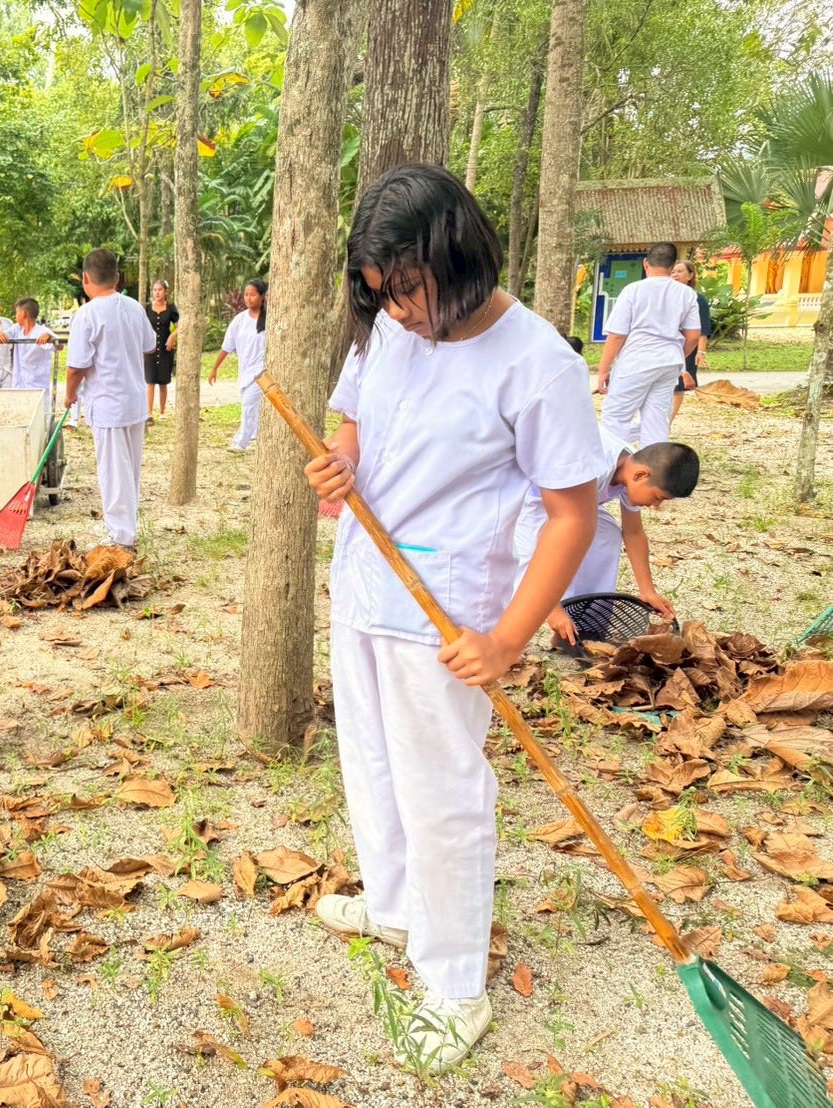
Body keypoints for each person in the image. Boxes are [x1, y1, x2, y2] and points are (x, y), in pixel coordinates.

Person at [303, 164, 601, 1069]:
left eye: (405, 290)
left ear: (456, 255)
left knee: (442, 793)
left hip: (446, 610)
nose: (393, 311)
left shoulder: (536, 362)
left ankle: (454, 981)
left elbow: (571, 514)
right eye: (378, 295)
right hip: (362, 584)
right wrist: (339, 463)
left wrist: (508, 638)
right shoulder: (392, 330)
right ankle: (393, 906)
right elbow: (351, 417)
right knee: (373, 764)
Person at [513, 436, 698, 645]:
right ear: (641, 475)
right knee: (539, 554)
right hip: (534, 501)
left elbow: (633, 532)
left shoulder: (633, 468)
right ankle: (518, 630)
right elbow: (552, 535)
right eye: (658, 497)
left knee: (606, 534)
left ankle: (586, 625)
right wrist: (552, 608)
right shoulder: (590, 468)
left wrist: (647, 590)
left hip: (576, 505)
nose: (656, 505)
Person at [65, 248, 157, 550]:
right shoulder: (134, 307)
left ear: (85, 279)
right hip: (133, 400)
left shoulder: (87, 314)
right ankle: (126, 528)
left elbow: (77, 366)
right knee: (129, 469)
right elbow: (149, 345)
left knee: (114, 471)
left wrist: (68, 397)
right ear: (117, 277)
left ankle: (122, 536)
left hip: (108, 403)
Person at [596, 242, 701, 447]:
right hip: (669, 362)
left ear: (646, 264)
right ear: (672, 268)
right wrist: (678, 355)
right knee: (656, 422)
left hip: (636, 360)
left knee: (615, 419)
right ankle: (652, 474)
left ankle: (612, 470)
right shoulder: (687, 294)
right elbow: (694, 336)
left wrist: (603, 369)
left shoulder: (632, 290)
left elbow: (617, 335)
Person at [209, 278, 267, 452]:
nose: (248, 298)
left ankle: (241, 442)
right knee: (250, 404)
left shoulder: (271, 319)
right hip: (245, 370)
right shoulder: (239, 320)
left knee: (249, 403)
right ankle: (255, 434)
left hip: (263, 371)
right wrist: (214, 368)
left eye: (253, 295)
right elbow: (227, 346)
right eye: (246, 295)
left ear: (262, 296)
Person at [669, 260, 712, 425]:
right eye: (672, 271)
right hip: (668, 343)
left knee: (678, 385)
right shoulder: (666, 295)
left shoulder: (696, 298)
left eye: (680, 271)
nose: (675, 275)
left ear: (690, 275)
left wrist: (701, 351)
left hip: (687, 345)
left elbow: (702, 327)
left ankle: (669, 421)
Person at [10, 297, 57, 415]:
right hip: (19, 383)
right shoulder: (17, 329)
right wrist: (0, 333)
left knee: (39, 416)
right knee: (20, 415)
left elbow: (59, 345)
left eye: (16, 313)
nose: (15, 316)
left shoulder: (42, 331)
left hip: (36, 384)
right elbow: (5, 334)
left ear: (23, 313)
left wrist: (50, 338)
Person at [144, 279, 179, 421]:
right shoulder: (146, 308)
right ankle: (149, 412)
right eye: (154, 290)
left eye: (159, 290)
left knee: (163, 381)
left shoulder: (171, 308)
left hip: (166, 349)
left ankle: (163, 412)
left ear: (165, 292)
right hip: (150, 349)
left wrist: (173, 336)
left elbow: (181, 324)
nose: (157, 292)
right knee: (150, 381)